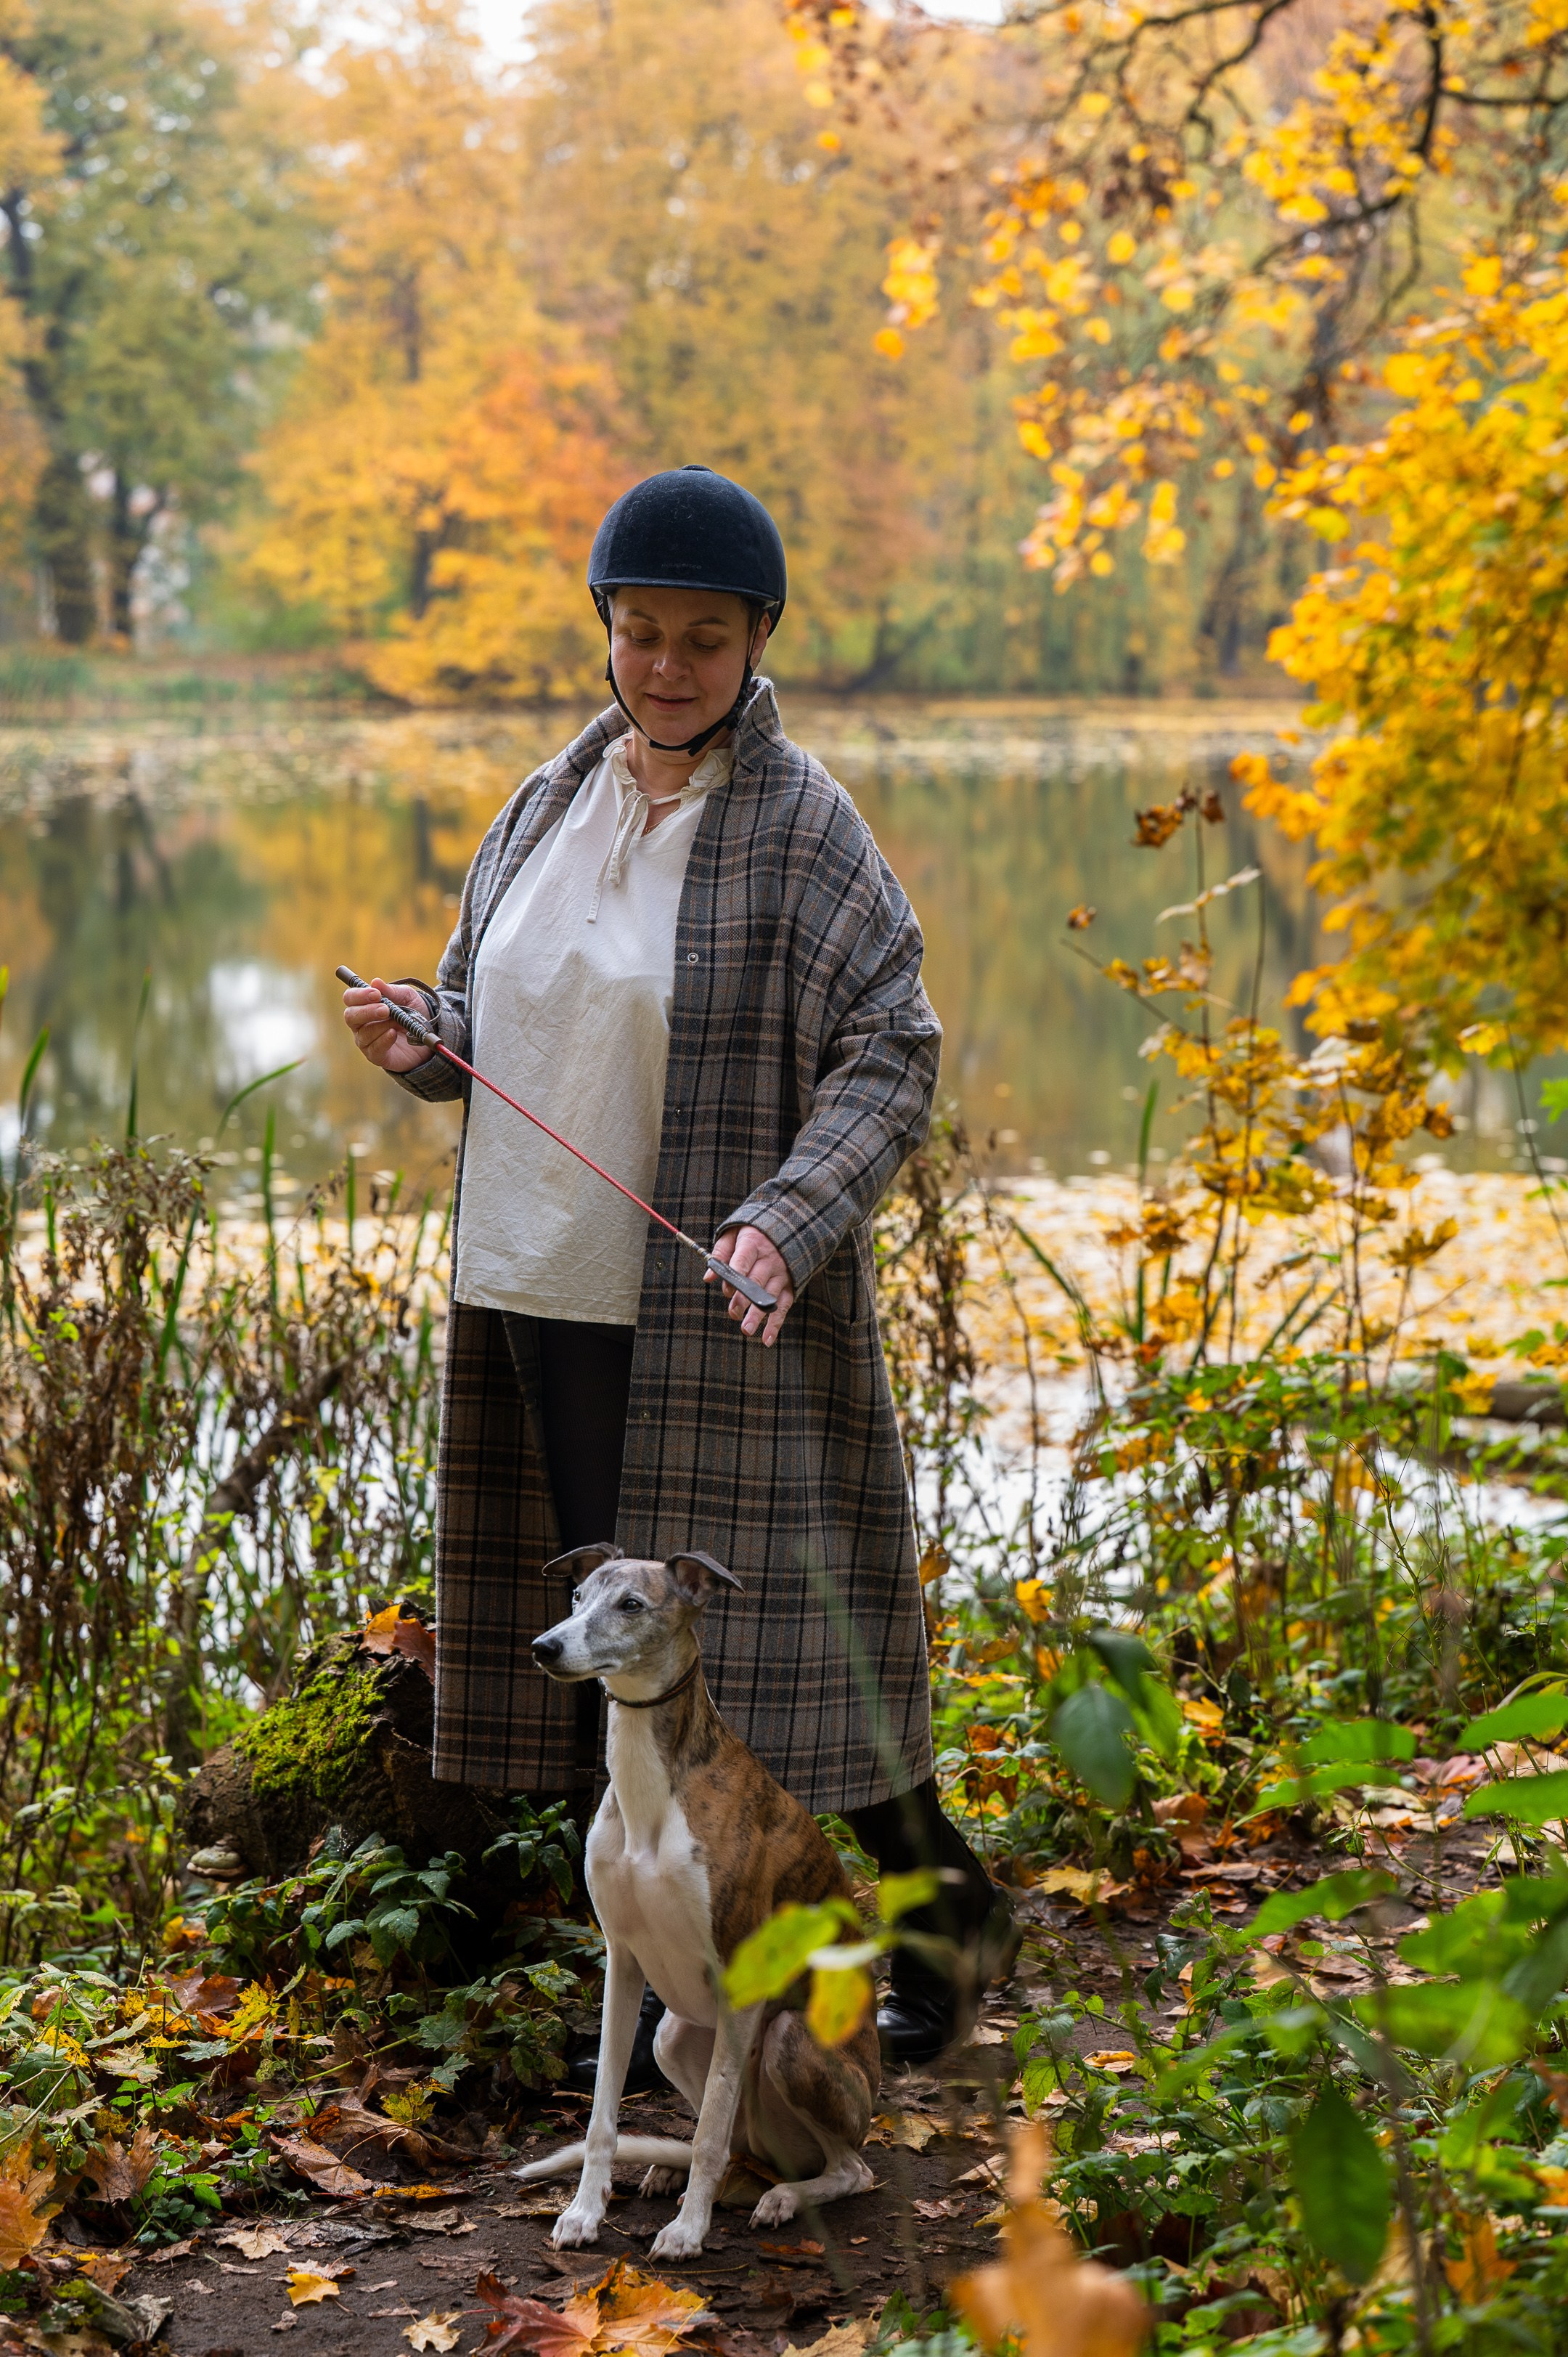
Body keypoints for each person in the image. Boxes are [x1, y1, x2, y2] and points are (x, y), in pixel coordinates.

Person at [343, 465, 1014, 2072]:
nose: (665, 666)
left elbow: (893, 1052)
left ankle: (947, 1932)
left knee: (800, 1651)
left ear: (758, 639)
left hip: (720, 1309)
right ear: (607, 633)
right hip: (540, 1287)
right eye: (640, 633)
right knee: (618, 1665)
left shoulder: (803, 826)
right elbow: (491, 1016)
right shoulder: (545, 801)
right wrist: (423, 1042)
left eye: (701, 639)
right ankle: (657, 1998)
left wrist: (790, 1212)